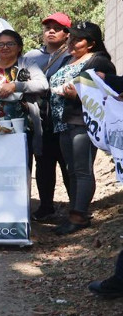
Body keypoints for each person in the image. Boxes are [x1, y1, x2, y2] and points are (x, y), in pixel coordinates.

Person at [47, 20, 115, 236]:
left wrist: (79, 95)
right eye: (71, 37)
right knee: (71, 170)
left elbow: (108, 93)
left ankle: (79, 216)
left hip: (85, 122)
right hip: (64, 121)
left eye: (78, 39)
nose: (72, 42)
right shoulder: (67, 59)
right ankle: (74, 213)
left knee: (82, 169)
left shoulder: (101, 62)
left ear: (92, 43)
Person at [23, 12, 74, 223]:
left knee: (68, 164)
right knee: (43, 164)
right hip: (40, 118)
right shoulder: (31, 56)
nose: (51, 31)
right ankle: (45, 207)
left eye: (57, 27)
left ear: (67, 33)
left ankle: (77, 209)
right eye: (47, 28)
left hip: (66, 118)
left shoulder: (73, 55)